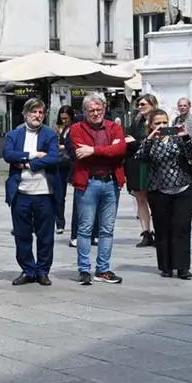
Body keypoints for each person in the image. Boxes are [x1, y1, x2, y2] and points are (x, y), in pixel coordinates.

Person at [68, 93, 127, 286]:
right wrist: (109, 150)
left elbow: (120, 151)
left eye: (99, 110)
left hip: (111, 183)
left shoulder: (114, 127)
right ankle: (84, 270)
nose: (95, 113)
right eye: (91, 110)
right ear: (84, 112)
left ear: (104, 109)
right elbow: (80, 153)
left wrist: (93, 150)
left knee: (107, 229)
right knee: (84, 229)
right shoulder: (76, 129)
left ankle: (103, 269)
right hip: (88, 183)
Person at [3, 98, 60, 286]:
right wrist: (34, 155)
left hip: (45, 193)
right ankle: (28, 270)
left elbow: (53, 158)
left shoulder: (50, 135)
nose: (37, 116)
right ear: (26, 114)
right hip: (21, 193)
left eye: (41, 112)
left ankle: (43, 271)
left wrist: (26, 164)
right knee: (22, 234)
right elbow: (8, 155)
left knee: (45, 236)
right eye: (33, 112)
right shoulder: (14, 134)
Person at [137, 108, 192, 279]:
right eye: (158, 123)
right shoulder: (149, 142)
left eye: (164, 122)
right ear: (150, 125)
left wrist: (185, 136)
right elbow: (139, 158)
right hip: (159, 191)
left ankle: (183, 267)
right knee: (162, 229)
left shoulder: (178, 139)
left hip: (183, 188)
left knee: (182, 227)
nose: (162, 126)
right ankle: (166, 266)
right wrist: (150, 138)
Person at [125, 94, 158, 247]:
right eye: (139, 105)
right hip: (136, 164)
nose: (140, 107)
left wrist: (135, 143)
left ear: (152, 104)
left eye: (143, 104)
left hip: (151, 165)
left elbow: (153, 144)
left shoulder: (157, 120)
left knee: (154, 199)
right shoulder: (136, 121)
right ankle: (146, 232)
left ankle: (159, 231)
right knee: (140, 198)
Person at [54, 105, 75, 238]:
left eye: (66, 118)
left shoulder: (75, 127)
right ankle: (59, 223)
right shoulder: (58, 128)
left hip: (71, 162)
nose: (64, 121)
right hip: (60, 162)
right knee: (59, 195)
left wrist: (62, 146)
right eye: (62, 118)